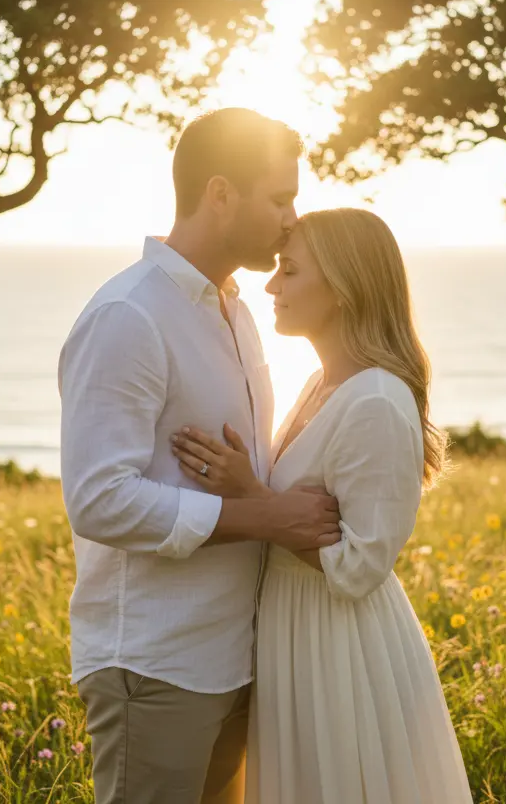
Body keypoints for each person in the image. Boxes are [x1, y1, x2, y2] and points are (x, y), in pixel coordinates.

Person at [58, 108, 342, 804]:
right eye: (279, 198)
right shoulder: (129, 314)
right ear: (221, 195)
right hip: (156, 666)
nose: (291, 219)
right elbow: (98, 499)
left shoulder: (236, 312)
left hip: (234, 659)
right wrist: (269, 519)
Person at [171, 208, 474, 803]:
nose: (271, 285)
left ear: (340, 287)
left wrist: (253, 497)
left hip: (341, 645)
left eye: (289, 271)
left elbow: (362, 565)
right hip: (295, 630)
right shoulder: (323, 383)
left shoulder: (377, 399)